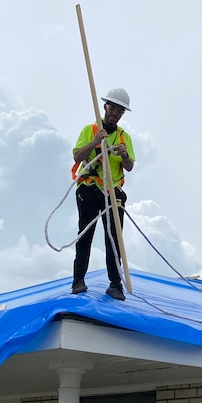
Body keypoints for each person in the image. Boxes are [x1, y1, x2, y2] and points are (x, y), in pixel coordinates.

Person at [70, 88, 135, 300]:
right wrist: (95, 141)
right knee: (85, 233)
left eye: (119, 110)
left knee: (114, 238)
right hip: (89, 187)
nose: (115, 113)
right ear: (105, 106)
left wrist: (124, 156)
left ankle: (115, 284)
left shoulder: (124, 137)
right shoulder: (91, 129)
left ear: (122, 114)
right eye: (113, 108)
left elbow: (130, 166)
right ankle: (78, 280)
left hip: (112, 191)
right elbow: (78, 156)